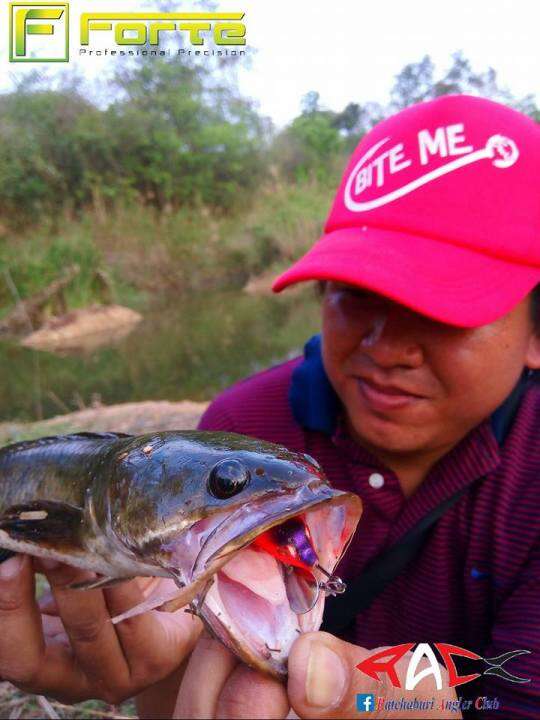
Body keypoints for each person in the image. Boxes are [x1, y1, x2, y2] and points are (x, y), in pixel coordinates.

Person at [0, 94, 538, 719]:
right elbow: (171, 680)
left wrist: (371, 700)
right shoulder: (242, 427)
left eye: (444, 305)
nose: (384, 347)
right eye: (356, 290)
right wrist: (161, 671)